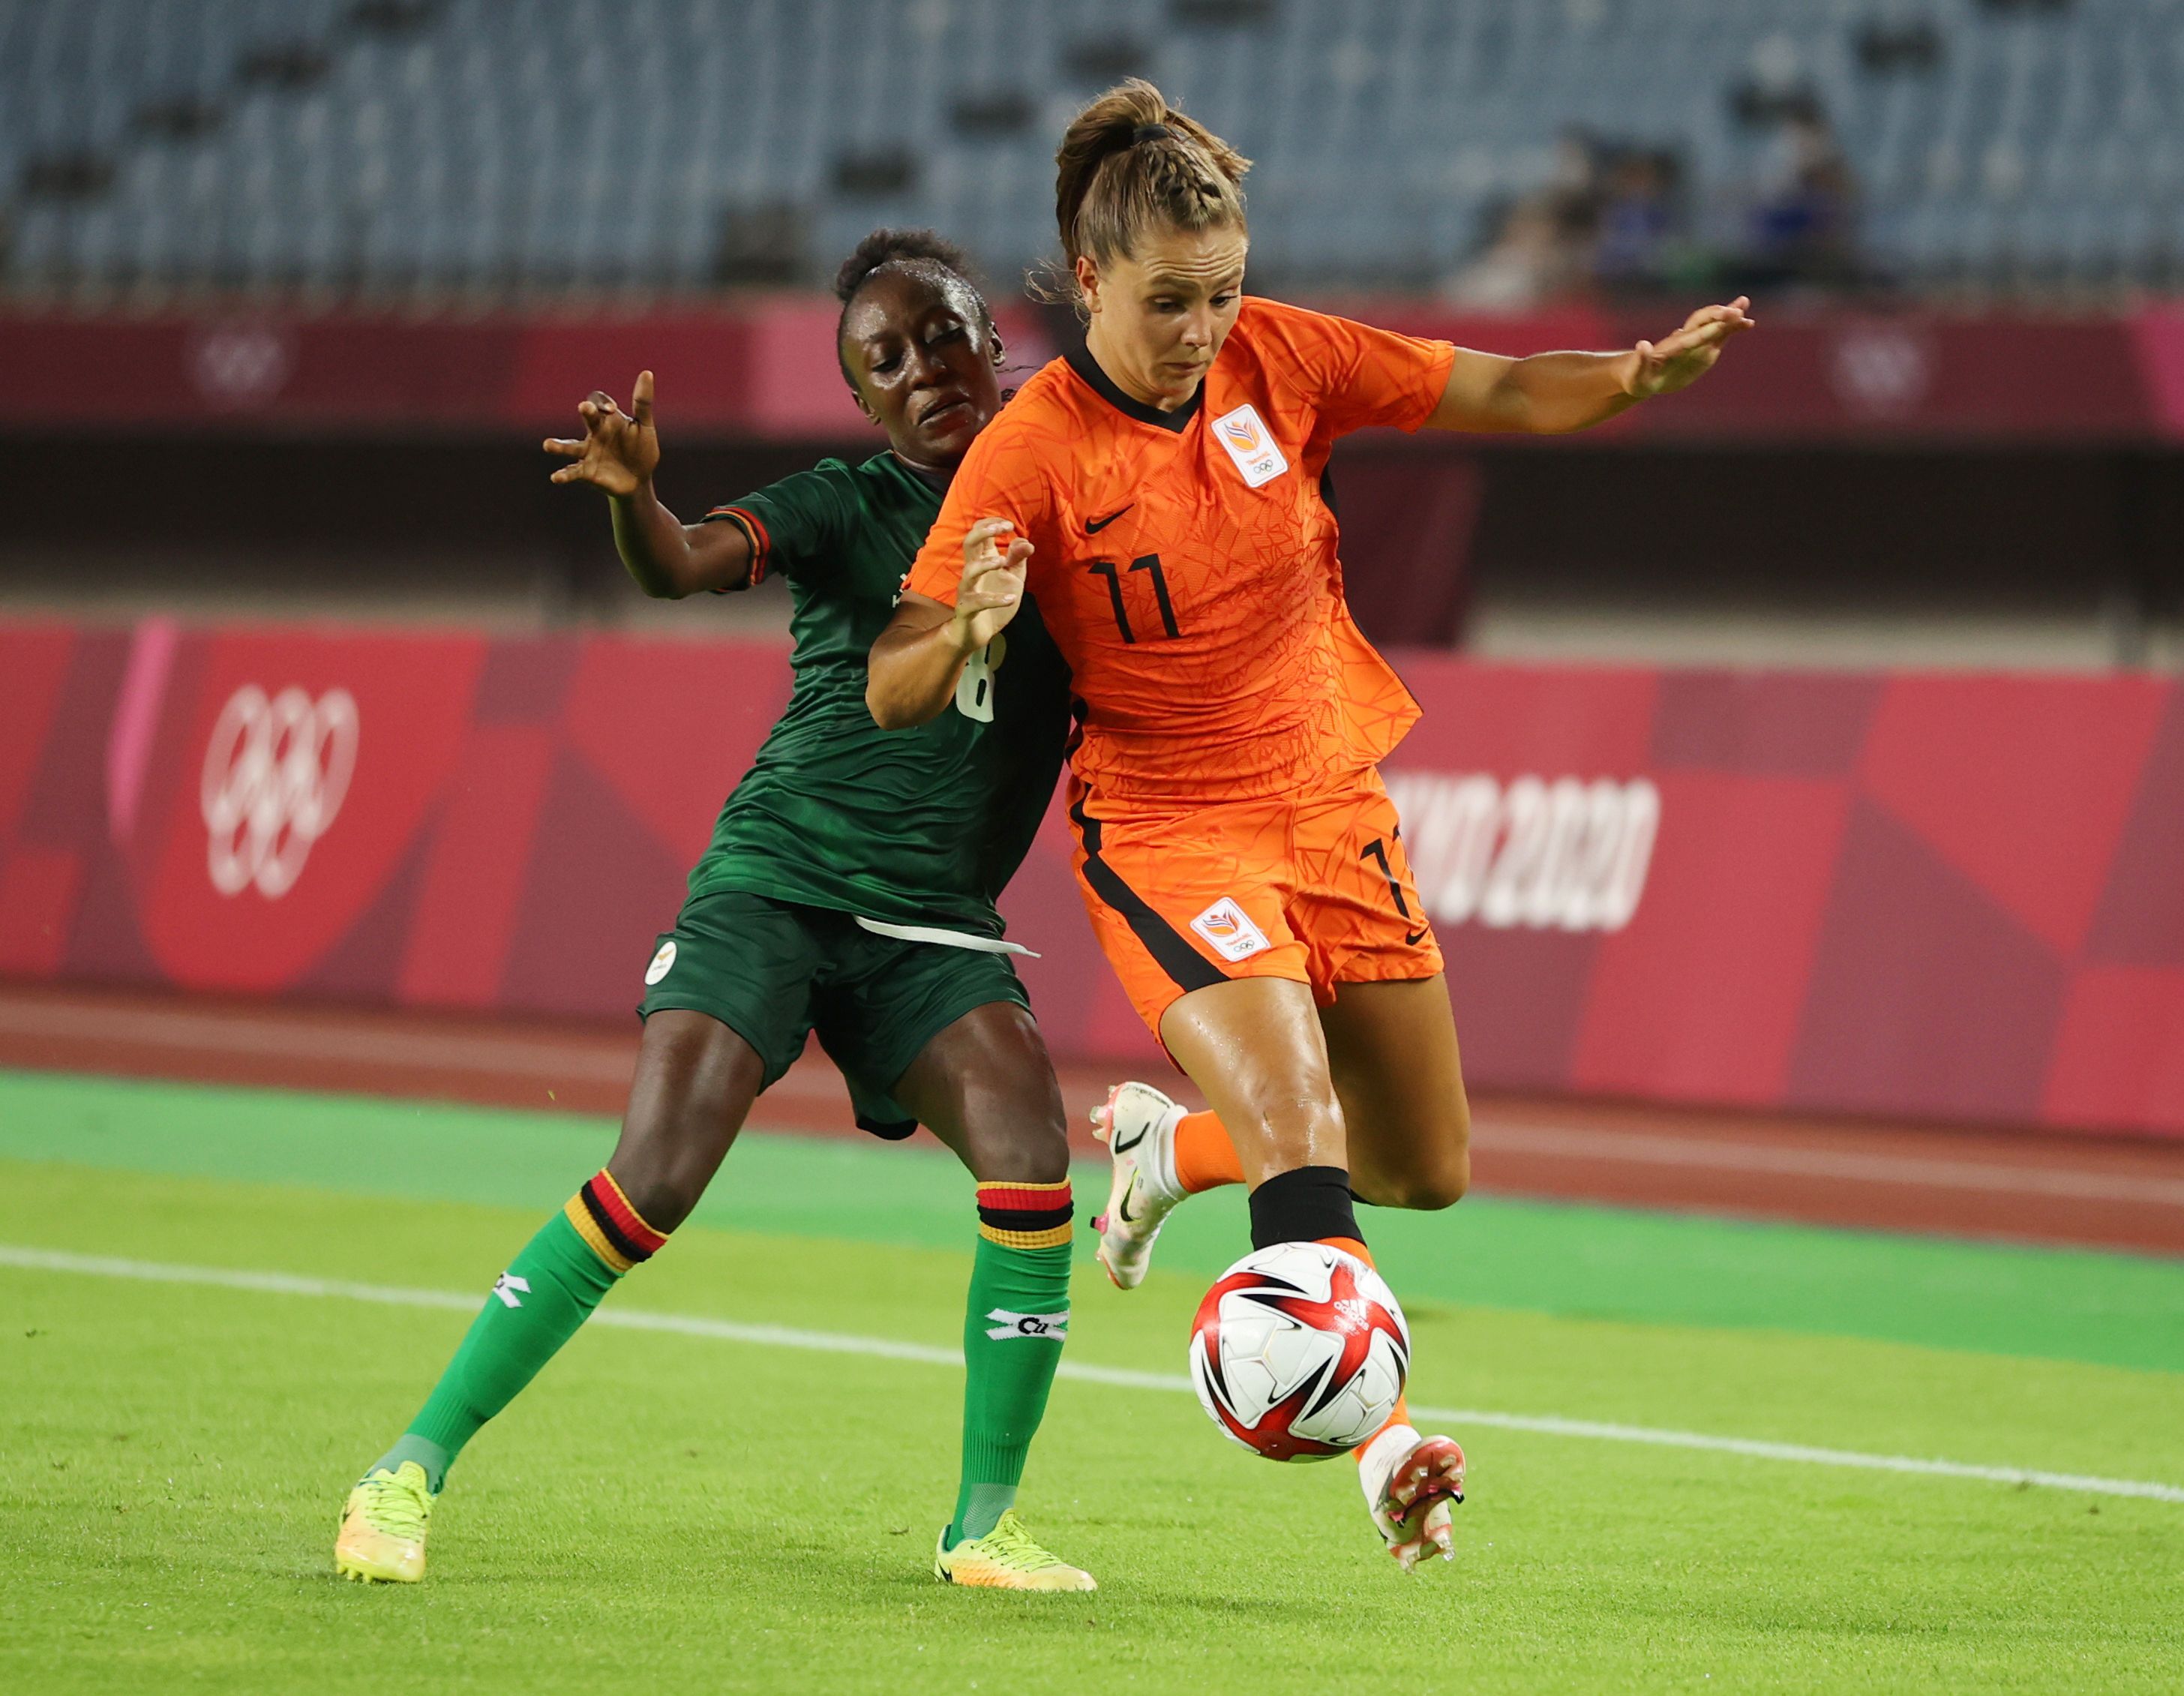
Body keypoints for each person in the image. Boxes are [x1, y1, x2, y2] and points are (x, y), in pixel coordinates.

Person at [868, 81, 1752, 1570]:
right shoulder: (1031, 449)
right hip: (1167, 823)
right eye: (1167, 301)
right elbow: (895, 681)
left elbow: (1503, 389)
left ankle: (1166, 1160)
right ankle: (1386, 1448)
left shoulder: (1284, 358)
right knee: (1298, 1113)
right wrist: (959, 628)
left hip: (1329, 799)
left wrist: (1634, 378)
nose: (1203, 326)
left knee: (1420, 1161)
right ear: (1090, 281)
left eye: (1221, 292)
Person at [335, 230, 1097, 1592]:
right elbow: (681, 563)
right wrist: (637, 497)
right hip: (780, 877)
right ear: (862, 402)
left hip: (932, 921)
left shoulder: (1077, 489)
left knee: (1034, 1161)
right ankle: (406, 1469)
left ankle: (982, 1529)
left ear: (992, 339)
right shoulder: (844, 501)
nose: (922, 371)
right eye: (885, 362)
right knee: (657, 1177)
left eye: (939, 338)